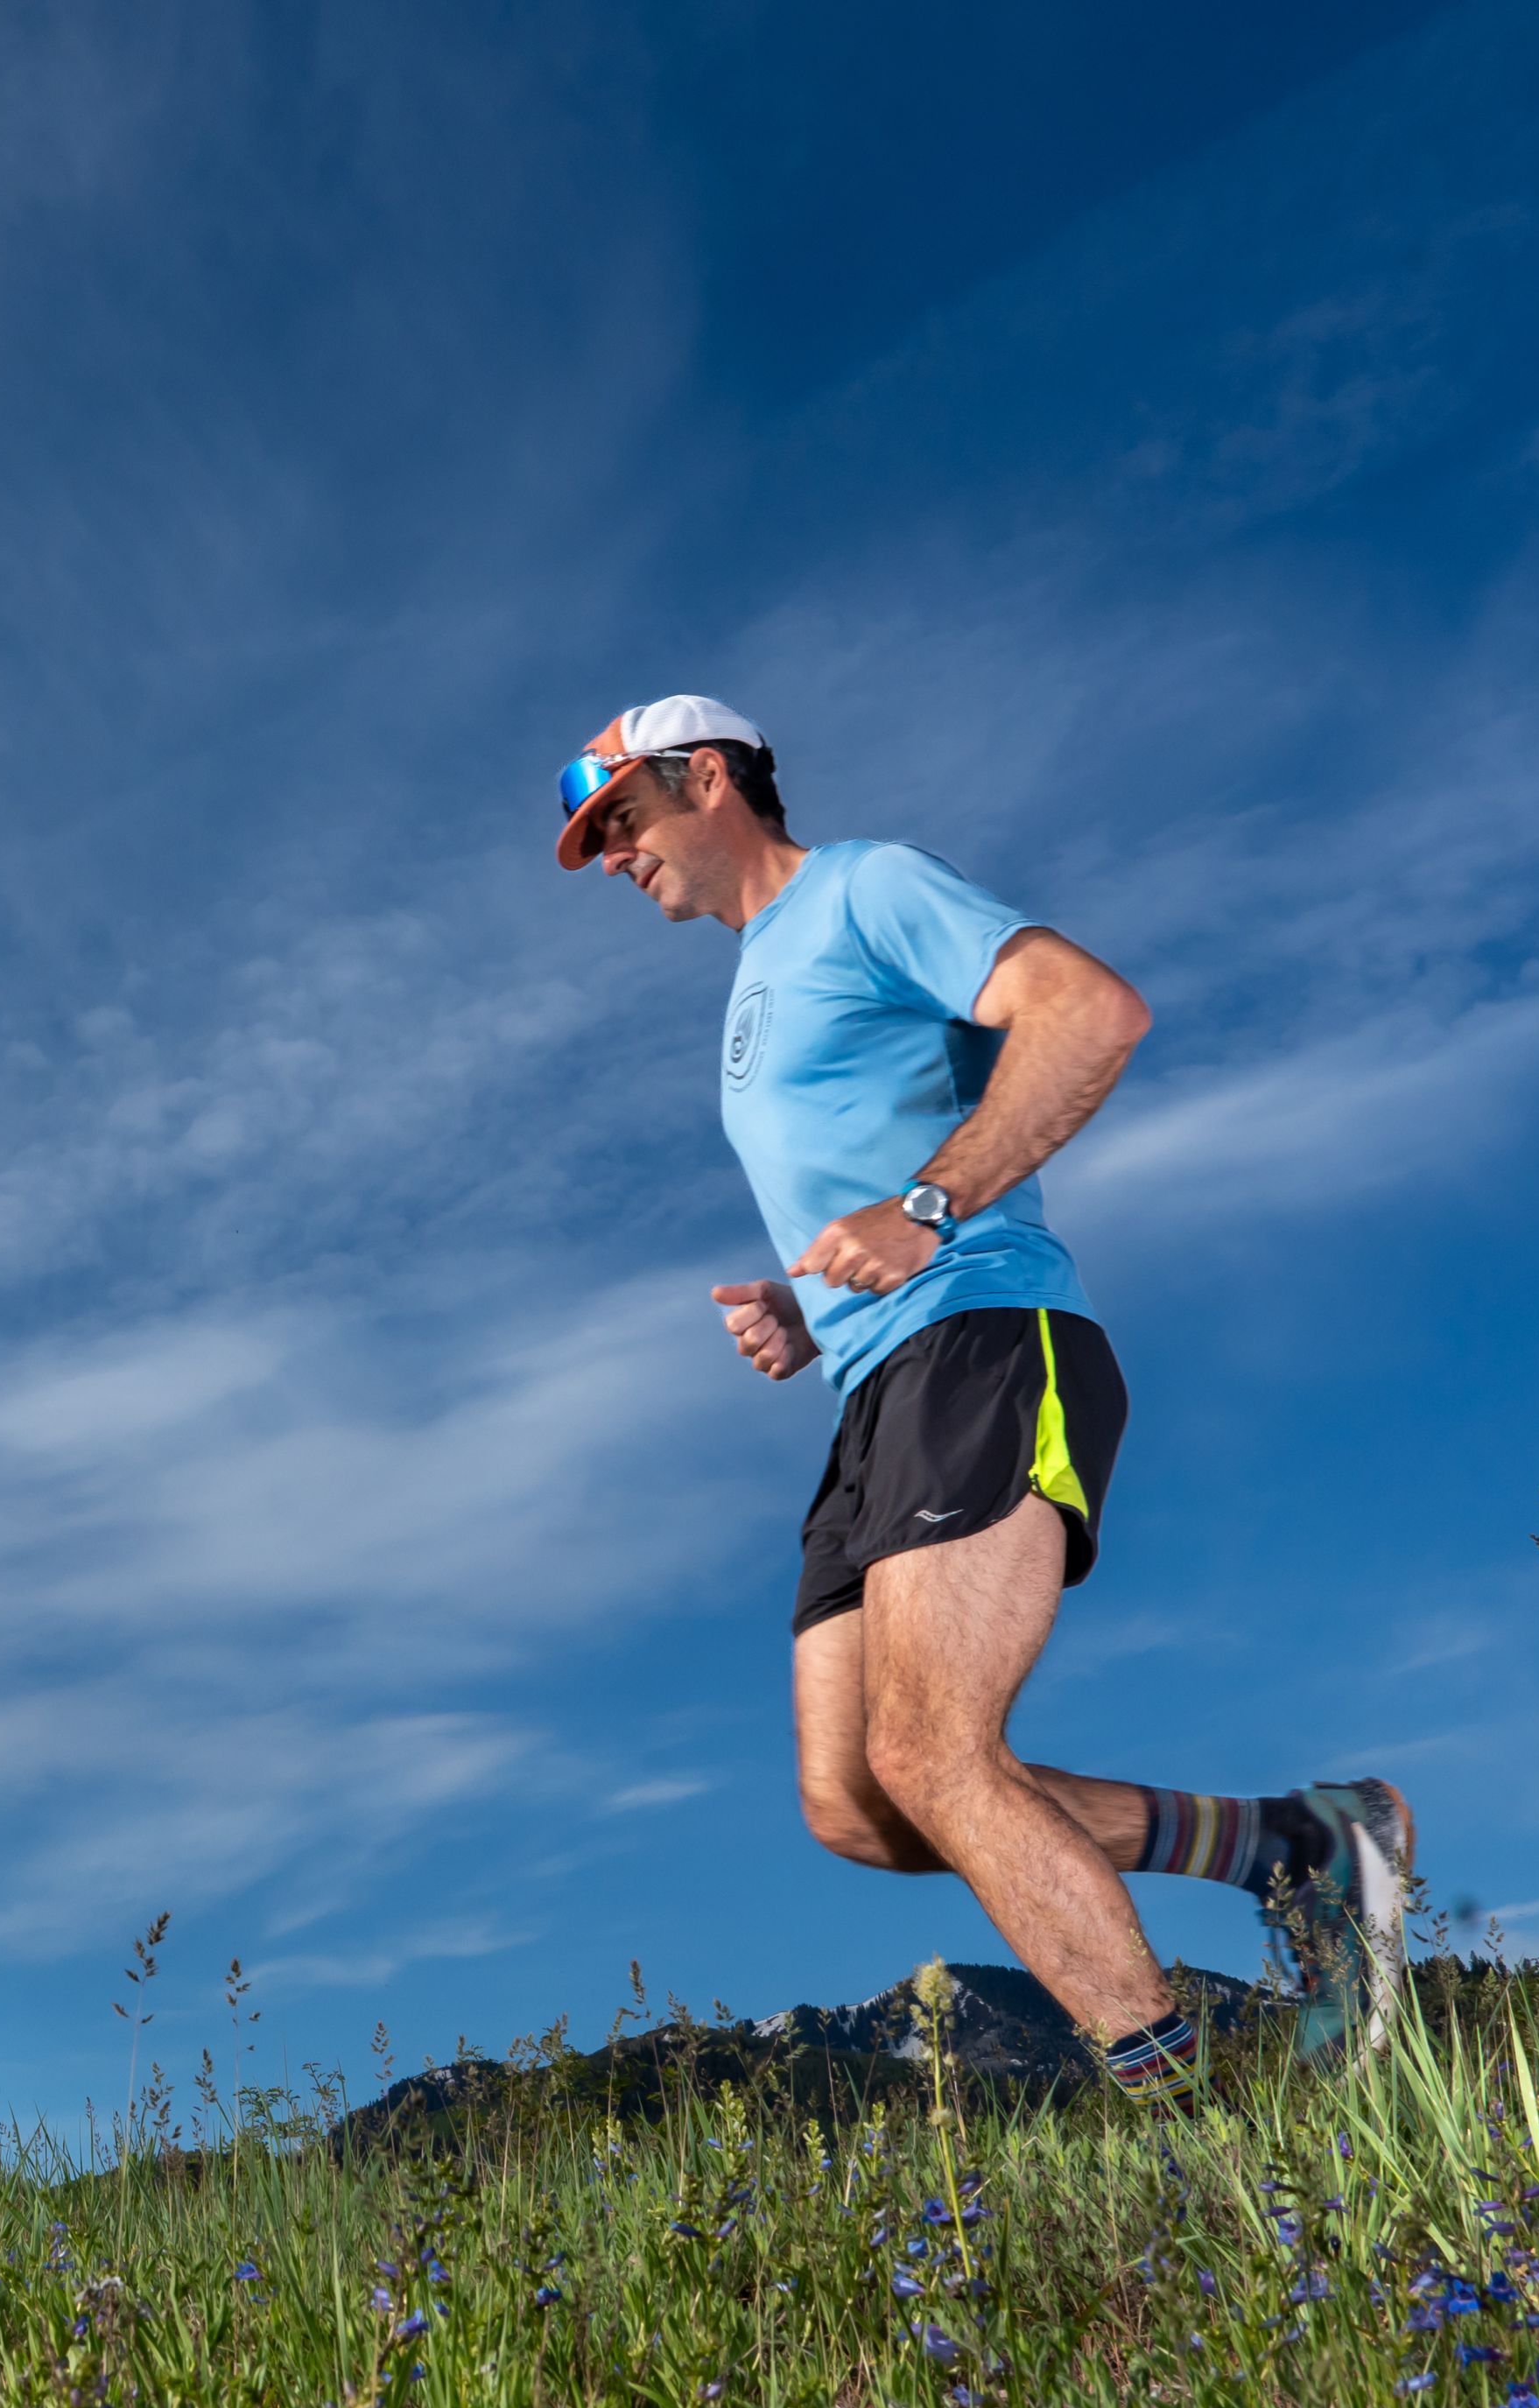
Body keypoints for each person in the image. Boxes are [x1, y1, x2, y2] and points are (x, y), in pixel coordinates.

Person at [556, 696, 1412, 2110]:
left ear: (707, 779)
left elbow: (1091, 1010)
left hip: (983, 1339)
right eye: (592, 842)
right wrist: (803, 1294)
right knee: (866, 1801)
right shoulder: (756, 981)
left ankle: (1213, 2140)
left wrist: (928, 1205)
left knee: (934, 1750)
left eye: (621, 823)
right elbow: (873, 1148)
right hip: (871, 1382)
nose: (610, 858)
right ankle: (1301, 1848)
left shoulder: (864, 887)